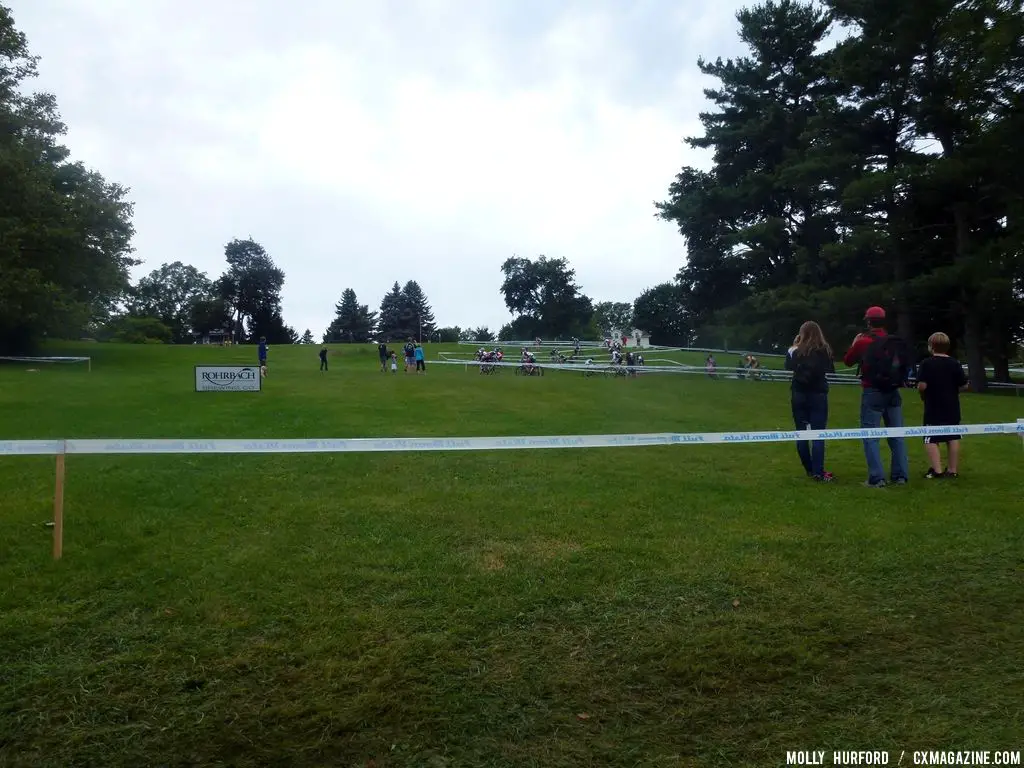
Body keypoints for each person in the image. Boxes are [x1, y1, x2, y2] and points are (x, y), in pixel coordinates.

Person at [843, 306, 911, 488]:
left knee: (871, 435)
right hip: (893, 391)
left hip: (872, 390)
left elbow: (848, 361)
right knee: (897, 434)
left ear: (868, 321)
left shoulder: (863, 341)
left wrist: (854, 342)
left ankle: (877, 478)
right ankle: (900, 476)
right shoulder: (893, 341)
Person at [785, 321, 836, 482]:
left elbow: (788, 367)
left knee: (801, 432)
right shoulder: (824, 350)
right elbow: (830, 369)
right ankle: (818, 471)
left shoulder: (794, 350)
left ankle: (809, 468)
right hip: (818, 394)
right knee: (818, 434)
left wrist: (795, 346)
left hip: (799, 394)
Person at [916, 332, 969, 478]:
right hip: (951, 405)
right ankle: (952, 470)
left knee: (931, 437)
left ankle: (937, 470)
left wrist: (923, 394)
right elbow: (964, 385)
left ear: (931, 346)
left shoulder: (926, 364)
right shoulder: (955, 363)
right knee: (952, 436)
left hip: (933, 405)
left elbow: (922, 386)